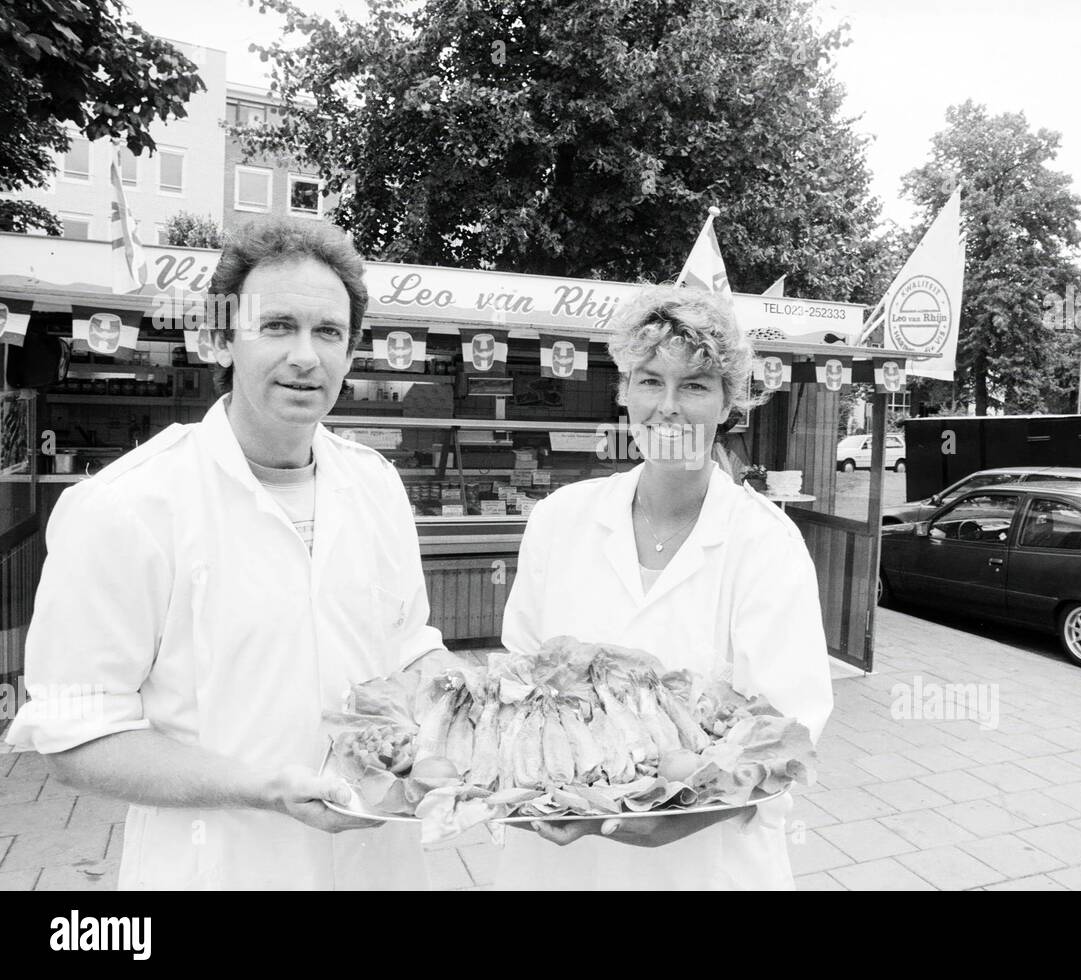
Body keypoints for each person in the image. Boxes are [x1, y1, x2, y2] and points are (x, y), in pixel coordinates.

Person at [5, 218, 446, 889]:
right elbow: (75, 737)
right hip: (218, 867)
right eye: (277, 326)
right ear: (220, 338)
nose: (306, 355)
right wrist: (265, 789)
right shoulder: (127, 506)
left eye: (328, 332)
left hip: (377, 864)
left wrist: (473, 715)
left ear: (351, 352)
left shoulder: (376, 485)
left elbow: (408, 649)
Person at [497, 284, 834, 890]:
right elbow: (523, 681)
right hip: (562, 862)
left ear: (730, 403)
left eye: (696, 385)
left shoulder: (766, 545)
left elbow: (787, 732)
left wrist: (673, 820)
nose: (669, 407)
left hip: (703, 866)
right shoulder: (561, 519)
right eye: (650, 380)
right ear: (624, 391)